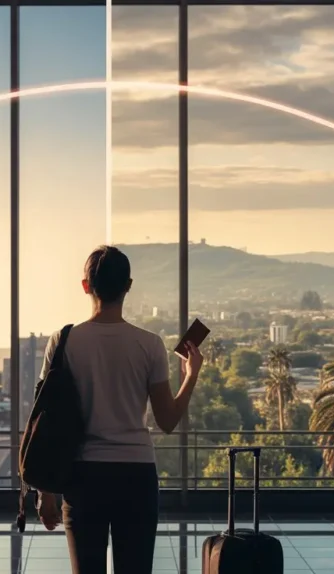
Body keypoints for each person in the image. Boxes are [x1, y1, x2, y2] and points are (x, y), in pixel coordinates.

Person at [36, 245, 203, 574]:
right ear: (128, 286)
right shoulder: (149, 344)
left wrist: (46, 492)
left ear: (86, 286)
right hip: (136, 475)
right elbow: (168, 420)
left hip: (82, 476)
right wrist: (191, 375)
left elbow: (46, 420)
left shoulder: (63, 342)